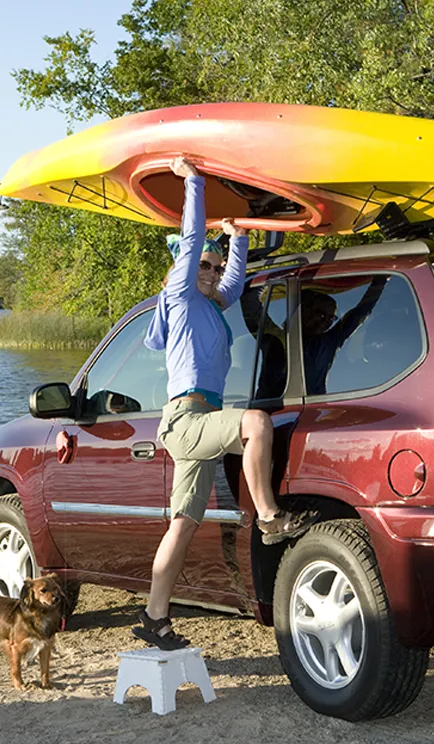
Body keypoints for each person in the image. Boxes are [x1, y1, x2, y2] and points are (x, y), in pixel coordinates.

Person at [137, 156, 318, 650]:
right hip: (186, 418)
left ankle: (155, 618)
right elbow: (191, 240)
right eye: (205, 266)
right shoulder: (178, 296)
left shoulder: (213, 305)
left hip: (202, 419)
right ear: (183, 266)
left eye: (215, 267)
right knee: (256, 423)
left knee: (182, 525)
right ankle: (268, 517)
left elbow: (236, 284)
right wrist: (192, 182)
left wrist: (237, 237)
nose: (213, 272)